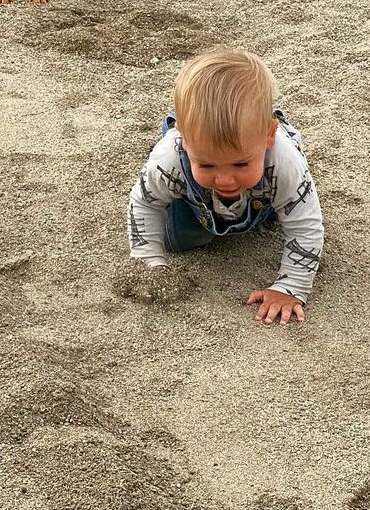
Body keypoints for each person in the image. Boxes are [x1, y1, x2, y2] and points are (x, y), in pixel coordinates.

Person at [126, 49, 324, 325]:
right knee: (176, 241)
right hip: (196, 203)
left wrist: (289, 287)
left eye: (240, 164)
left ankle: (250, 203)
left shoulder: (284, 160)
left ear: (268, 135)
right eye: (207, 164)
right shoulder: (169, 158)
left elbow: (306, 224)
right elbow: (145, 203)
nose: (225, 179)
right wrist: (149, 265)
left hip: (263, 197)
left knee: (286, 206)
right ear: (185, 140)